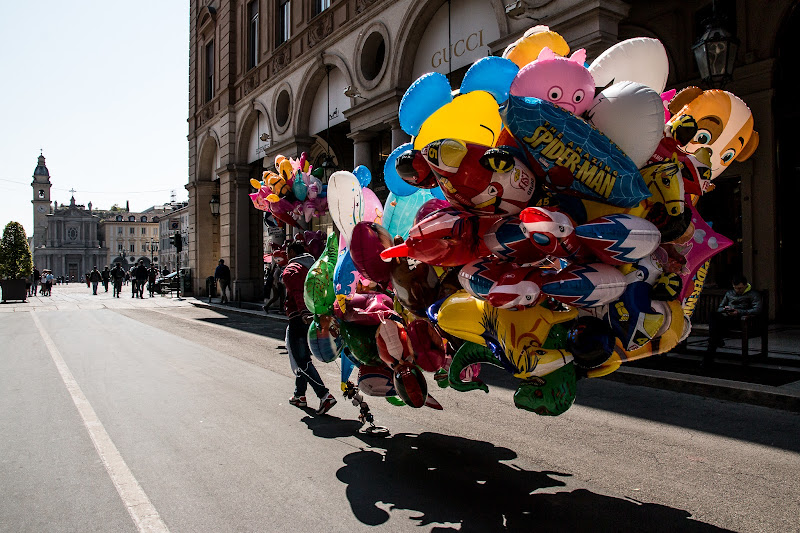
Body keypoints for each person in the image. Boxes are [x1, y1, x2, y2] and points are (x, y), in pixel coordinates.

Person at [283, 243, 337, 415]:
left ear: (292, 252)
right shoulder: (313, 267)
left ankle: (324, 395)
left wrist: (303, 312)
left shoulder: (292, 269)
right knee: (303, 358)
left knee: (301, 360)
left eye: (286, 252)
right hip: (314, 317)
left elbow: (299, 293)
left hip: (299, 319)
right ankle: (299, 396)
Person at [704, 274, 764, 367]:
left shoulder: (753, 294)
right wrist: (725, 309)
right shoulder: (729, 293)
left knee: (715, 335)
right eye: (735, 288)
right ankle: (713, 348)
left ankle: (708, 358)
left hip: (742, 321)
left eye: (740, 288)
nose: (738, 290)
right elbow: (719, 308)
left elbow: (757, 310)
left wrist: (739, 312)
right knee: (713, 316)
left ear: (745, 285)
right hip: (728, 318)